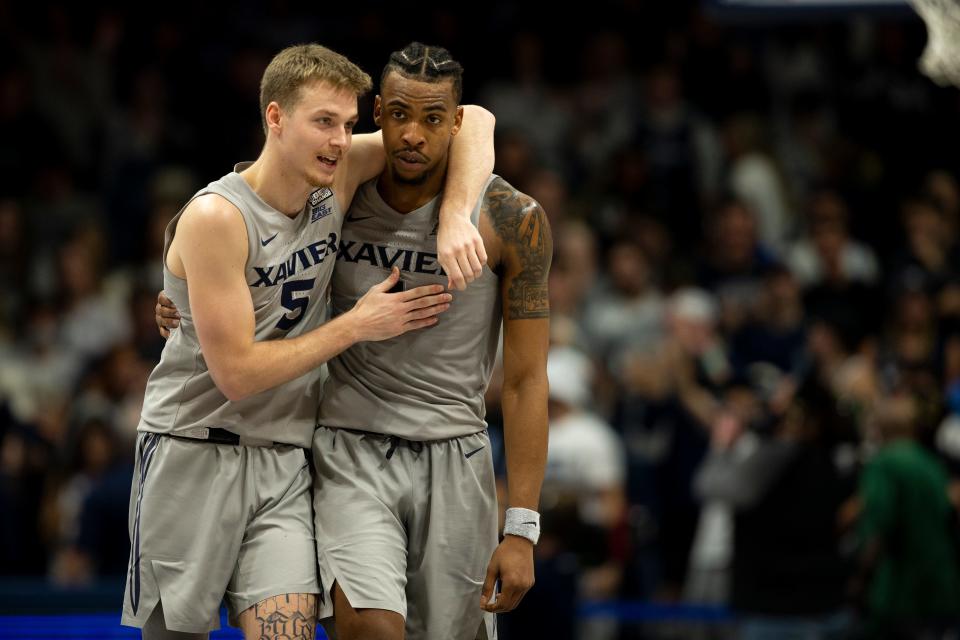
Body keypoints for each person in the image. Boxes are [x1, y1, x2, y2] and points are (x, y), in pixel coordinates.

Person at [128, 43, 495, 640]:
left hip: (286, 459)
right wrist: (357, 324)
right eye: (324, 121)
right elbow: (238, 375)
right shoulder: (218, 217)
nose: (340, 140)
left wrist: (456, 216)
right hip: (192, 446)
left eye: (350, 125)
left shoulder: (337, 179)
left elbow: (475, 121)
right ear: (275, 118)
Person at [311, 42, 551, 640]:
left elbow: (524, 381)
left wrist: (521, 528)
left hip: (457, 456)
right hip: (350, 450)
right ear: (376, 114)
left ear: (459, 123)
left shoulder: (513, 218)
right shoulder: (334, 190)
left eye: (433, 119)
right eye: (398, 115)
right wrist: (179, 290)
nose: (413, 134)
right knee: (371, 629)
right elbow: (234, 206)